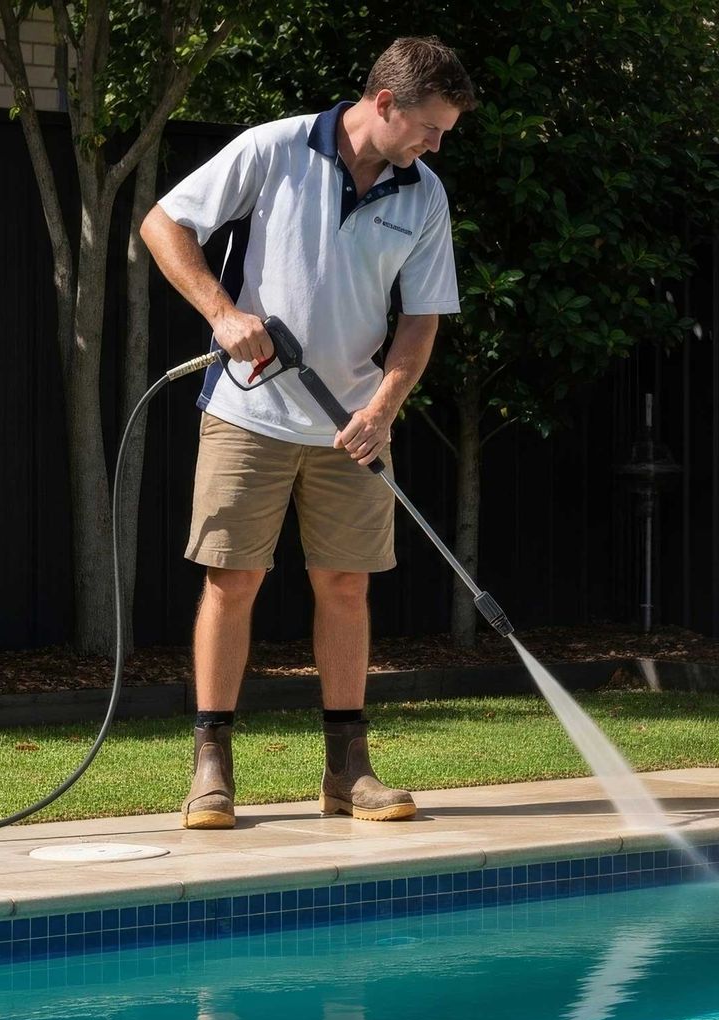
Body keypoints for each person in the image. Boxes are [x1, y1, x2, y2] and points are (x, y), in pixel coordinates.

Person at [139, 37, 476, 829]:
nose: (437, 144)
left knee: (347, 585)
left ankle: (347, 770)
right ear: (386, 104)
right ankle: (211, 766)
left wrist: (383, 409)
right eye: (431, 127)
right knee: (233, 580)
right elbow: (164, 224)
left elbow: (420, 322)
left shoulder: (423, 195)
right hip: (248, 411)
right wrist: (223, 315)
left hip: (352, 426)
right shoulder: (275, 148)